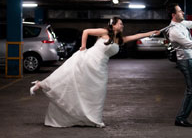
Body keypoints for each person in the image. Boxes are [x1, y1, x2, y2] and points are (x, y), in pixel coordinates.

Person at [29, 17, 160, 128]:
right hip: (89, 60)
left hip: (100, 68)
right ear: (113, 25)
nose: (122, 25)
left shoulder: (119, 39)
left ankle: (93, 119)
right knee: (67, 77)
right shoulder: (103, 32)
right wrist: (83, 46)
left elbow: (136, 36)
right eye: (120, 23)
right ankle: (41, 85)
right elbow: (86, 31)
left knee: (96, 93)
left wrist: (151, 33)